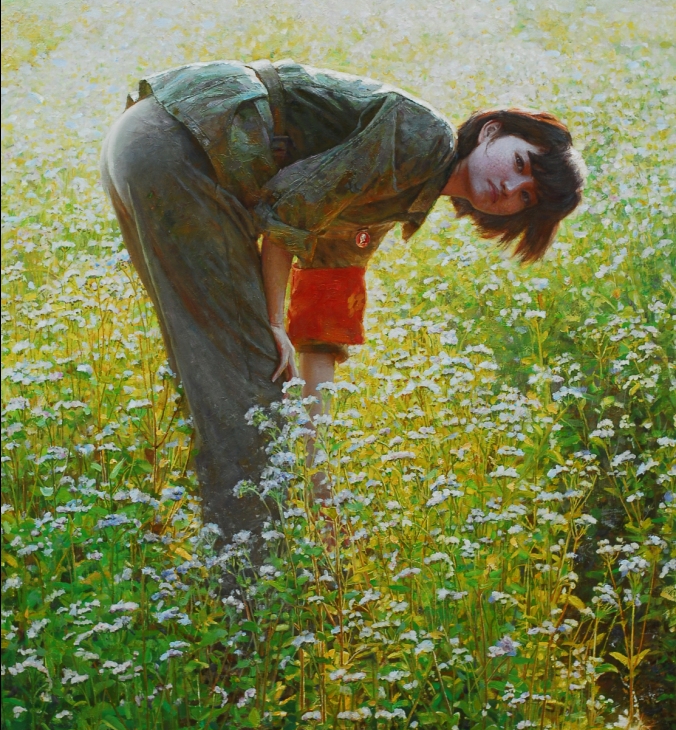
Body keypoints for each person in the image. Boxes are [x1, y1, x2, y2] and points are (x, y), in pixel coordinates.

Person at [101, 58, 586, 556]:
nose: (510, 189)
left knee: (217, 375)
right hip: (185, 144)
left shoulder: (392, 195)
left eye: (526, 198)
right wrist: (272, 323)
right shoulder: (424, 139)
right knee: (252, 382)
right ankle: (253, 584)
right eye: (520, 164)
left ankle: (226, 564)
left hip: (150, 141)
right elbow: (290, 210)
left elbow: (321, 333)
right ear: (491, 131)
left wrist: (322, 490)